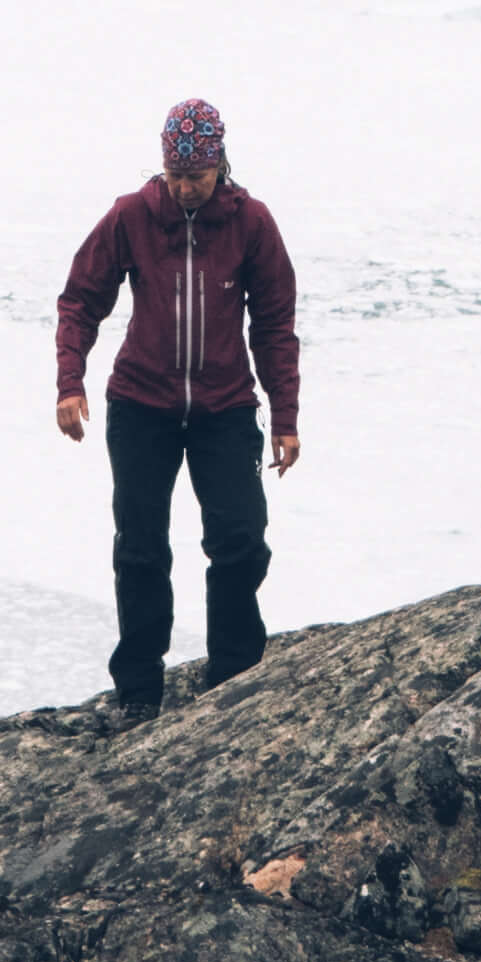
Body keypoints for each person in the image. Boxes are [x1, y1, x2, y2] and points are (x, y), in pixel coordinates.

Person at [51, 97, 299, 722]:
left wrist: (287, 419)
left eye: (198, 175)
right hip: (141, 405)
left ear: (220, 165)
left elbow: (273, 326)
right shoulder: (132, 216)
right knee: (140, 547)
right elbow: (81, 299)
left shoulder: (253, 224)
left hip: (225, 407)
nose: (186, 188)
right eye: (176, 175)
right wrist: (69, 382)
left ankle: (234, 675)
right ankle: (138, 691)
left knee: (240, 540)